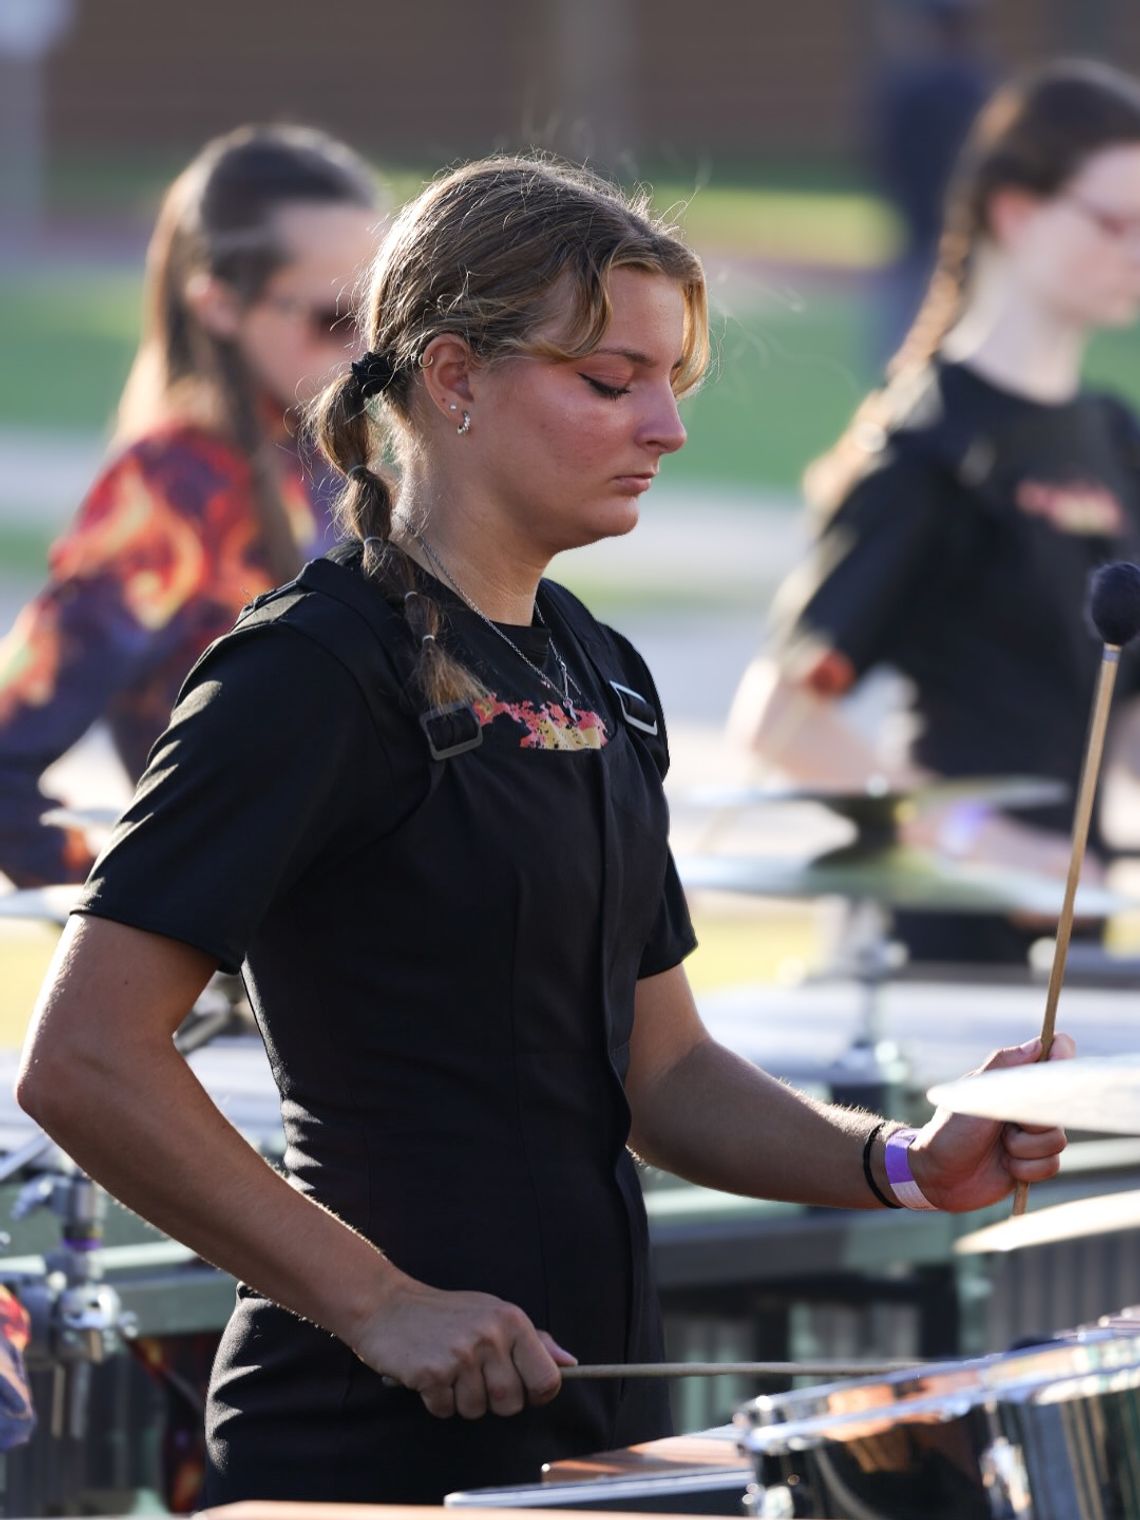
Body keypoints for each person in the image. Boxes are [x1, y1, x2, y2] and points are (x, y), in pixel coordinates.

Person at [16, 155, 1071, 1505]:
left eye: (669, 383)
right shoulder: (309, 671)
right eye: (609, 379)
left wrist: (905, 1164)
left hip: (583, 1434)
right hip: (357, 1441)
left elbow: (665, 1069)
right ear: (454, 378)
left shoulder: (606, 672)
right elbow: (86, 1056)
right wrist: (383, 1304)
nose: (666, 428)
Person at [729, 59, 1140, 966]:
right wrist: (990, 847)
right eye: (1115, 222)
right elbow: (783, 718)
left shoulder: (1115, 437)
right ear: (1017, 212)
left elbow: (1119, 707)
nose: (1136, 250)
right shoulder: (930, 448)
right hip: (932, 949)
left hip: (1074, 943)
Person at [0, 123, 383, 889]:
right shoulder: (170, 495)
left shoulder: (333, 464)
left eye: (382, 314)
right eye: (333, 319)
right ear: (218, 305)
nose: (366, 351)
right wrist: (146, 912)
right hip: (264, 986)